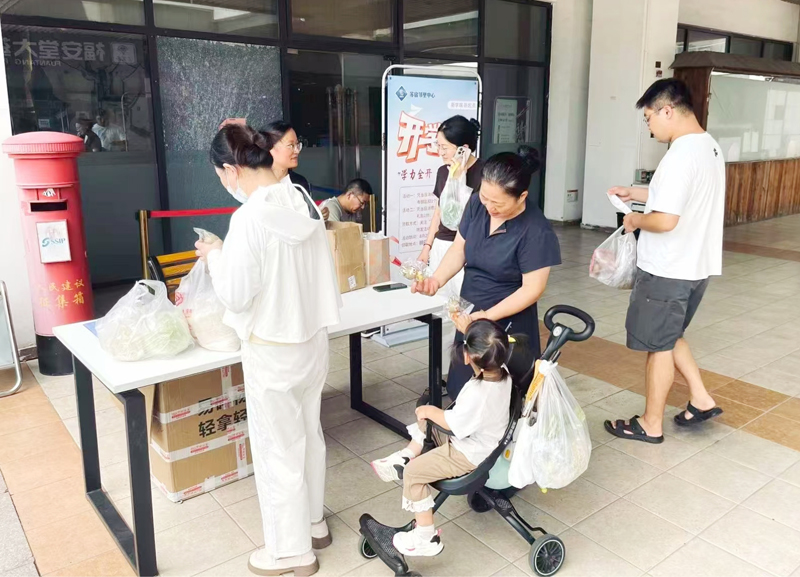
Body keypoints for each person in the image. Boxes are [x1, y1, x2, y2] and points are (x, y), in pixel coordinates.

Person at [195, 123, 341, 576]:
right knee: (308, 434)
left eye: (221, 176)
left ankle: (289, 550)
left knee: (278, 448)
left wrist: (215, 256)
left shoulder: (248, 219)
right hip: (312, 339)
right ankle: (313, 523)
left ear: (231, 169)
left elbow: (237, 296)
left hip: (272, 348)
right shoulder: (299, 199)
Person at [604, 78, 725, 444]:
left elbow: (665, 220)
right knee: (671, 336)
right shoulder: (708, 147)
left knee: (658, 346)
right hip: (696, 266)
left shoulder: (679, 156)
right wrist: (636, 192)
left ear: (667, 110)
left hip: (668, 269)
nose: (649, 126)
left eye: (649, 118)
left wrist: (634, 219)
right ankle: (701, 399)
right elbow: (679, 197)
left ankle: (650, 424)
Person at [413, 149, 560, 400]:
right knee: (464, 387)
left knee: (500, 396)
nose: (489, 207)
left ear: (522, 196)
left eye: (498, 203)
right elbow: (459, 248)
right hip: (471, 310)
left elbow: (532, 289)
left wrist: (487, 316)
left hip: (507, 321)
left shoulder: (536, 231)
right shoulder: (476, 205)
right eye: (484, 197)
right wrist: (436, 279)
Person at [370, 320, 516, 556]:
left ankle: (425, 537)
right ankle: (405, 456)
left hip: (467, 453)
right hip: (479, 439)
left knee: (414, 473)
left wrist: (428, 410)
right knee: (430, 421)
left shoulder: (479, 395)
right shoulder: (502, 372)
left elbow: (453, 424)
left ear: (467, 357)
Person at [264, 120, 311, 192]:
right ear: (270, 148)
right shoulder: (254, 182)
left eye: (297, 145)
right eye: (291, 145)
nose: (297, 151)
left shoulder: (299, 183)